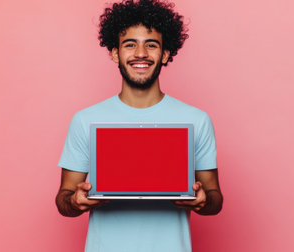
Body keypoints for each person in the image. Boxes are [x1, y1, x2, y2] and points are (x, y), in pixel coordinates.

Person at [55, 0, 223, 251]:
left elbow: (215, 199)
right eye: (130, 44)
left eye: (151, 45)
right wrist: (76, 201)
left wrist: (203, 200)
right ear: (115, 53)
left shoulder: (197, 120)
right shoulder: (85, 120)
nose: (141, 54)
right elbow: (63, 199)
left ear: (165, 54)